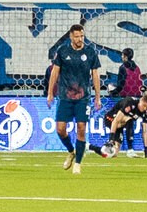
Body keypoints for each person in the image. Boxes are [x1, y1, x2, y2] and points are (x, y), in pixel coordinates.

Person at [45, 21, 105, 175]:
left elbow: (95, 75)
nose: (80, 39)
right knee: (60, 129)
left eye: (82, 36)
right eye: (77, 36)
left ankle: (78, 163)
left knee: (81, 128)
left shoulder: (90, 52)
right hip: (65, 96)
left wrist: (98, 96)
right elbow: (55, 72)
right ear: (71, 37)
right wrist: (50, 92)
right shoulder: (63, 51)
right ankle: (71, 151)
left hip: (83, 97)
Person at [104, 52, 147, 159]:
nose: (121, 57)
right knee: (128, 120)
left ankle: (124, 147)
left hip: (126, 97)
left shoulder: (122, 68)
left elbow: (121, 85)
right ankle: (129, 149)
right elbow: (140, 83)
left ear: (125, 56)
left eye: (122, 55)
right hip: (135, 98)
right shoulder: (138, 68)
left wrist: (113, 91)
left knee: (126, 119)